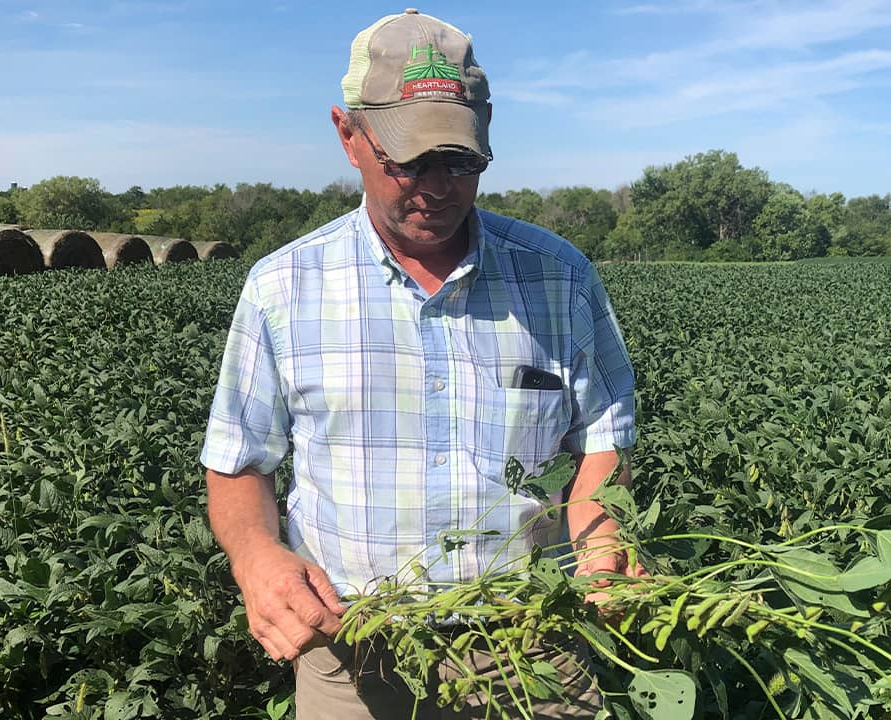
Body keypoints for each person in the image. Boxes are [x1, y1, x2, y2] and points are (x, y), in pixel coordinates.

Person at [200, 9, 639, 718]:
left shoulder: (560, 278)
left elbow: (603, 437)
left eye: (460, 160)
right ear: (349, 136)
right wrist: (257, 558)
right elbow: (239, 460)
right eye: (407, 160)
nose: (436, 186)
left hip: (533, 645)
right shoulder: (283, 287)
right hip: (354, 654)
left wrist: (600, 535)